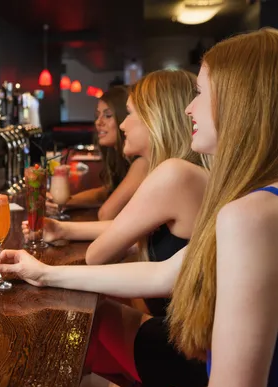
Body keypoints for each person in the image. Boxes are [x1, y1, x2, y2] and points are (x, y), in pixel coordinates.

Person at [0, 28, 278, 387]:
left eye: (200, 93)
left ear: (239, 102)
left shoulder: (249, 215)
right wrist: (44, 273)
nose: (189, 109)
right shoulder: (257, 200)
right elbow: (165, 272)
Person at [27, 70, 207, 318]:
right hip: (173, 325)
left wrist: (44, 273)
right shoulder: (191, 171)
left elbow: (97, 254)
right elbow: (137, 231)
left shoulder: (174, 174)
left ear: (156, 117)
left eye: (130, 113)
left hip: (174, 336)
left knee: (68, 312)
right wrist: (64, 229)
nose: (123, 124)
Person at [47, 86, 149, 221]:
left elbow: (106, 214)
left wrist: (60, 229)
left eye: (107, 116)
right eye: (97, 116)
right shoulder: (121, 158)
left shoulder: (141, 163)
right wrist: (63, 203)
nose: (98, 122)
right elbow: (106, 192)